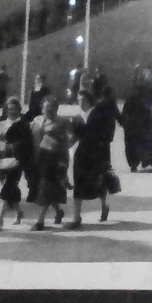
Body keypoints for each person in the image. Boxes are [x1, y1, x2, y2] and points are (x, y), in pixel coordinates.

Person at [70, 81, 120, 227]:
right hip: (80, 155)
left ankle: (105, 206)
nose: (80, 103)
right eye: (78, 100)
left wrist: (104, 153)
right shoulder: (77, 118)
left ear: (89, 100)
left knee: (99, 183)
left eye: (83, 100)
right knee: (78, 184)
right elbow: (74, 137)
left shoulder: (98, 114)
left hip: (97, 154)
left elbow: (107, 134)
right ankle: (76, 217)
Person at [0, 97, 34, 230]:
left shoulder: (24, 125)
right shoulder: (2, 124)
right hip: (1, 160)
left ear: (19, 110)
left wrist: (25, 161)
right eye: (9, 109)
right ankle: (19, 212)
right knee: (9, 189)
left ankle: (0, 220)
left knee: (5, 189)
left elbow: (28, 145)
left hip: (16, 162)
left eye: (14, 109)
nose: (11, 111)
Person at [29, 94, 72, 231]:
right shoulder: (37, 120)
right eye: (46, 107)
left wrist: (63, 161)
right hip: (41, 158)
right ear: (42, 108)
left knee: (46, 188)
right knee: (46, 188)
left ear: (57, 109)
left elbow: (68, 142)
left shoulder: (63, 122)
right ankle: (58, 211)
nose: (48, 110)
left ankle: (40, 221)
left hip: (55, 158)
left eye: (52, 108)